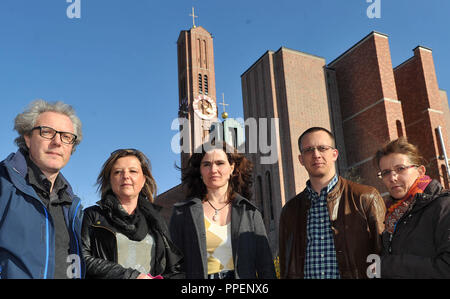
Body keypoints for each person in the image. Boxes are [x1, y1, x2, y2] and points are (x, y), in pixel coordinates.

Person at [279, 127, 386, 279]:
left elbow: (383, 254)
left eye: (322, 148)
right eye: (308, 150)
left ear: (334, 154)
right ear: (301, 159)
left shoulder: (365, 197)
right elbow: (286, 265)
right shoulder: (290, 211)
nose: (316, 154)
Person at [0, 99, 85, 279]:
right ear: (28, 138)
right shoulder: (3, 184)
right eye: (47, 132)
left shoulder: (73, 206)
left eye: (66, 136)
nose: (57, 142)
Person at [169, 142, 276, 279]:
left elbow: (265, 266)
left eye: (220, 163)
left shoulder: (250, 213)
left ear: (232, 168)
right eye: (206, 164)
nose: (213, 169)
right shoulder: (182, 213)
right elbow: (174, 266)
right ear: (200, 170)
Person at [81, 149, 184, 279]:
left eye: (133, 171)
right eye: (118, 172)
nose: (126, 176)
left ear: (143, 180)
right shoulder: (93, 216)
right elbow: (82, 258)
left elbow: (174, 267)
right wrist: (130, 276)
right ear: (110, 180)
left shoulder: (157, 220)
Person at [374, 137, 450, 278]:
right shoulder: (393, 214)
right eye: (386, 173)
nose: (393, 177)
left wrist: (388, 265)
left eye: (400, 169)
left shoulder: (443, 207)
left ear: (420, 171)